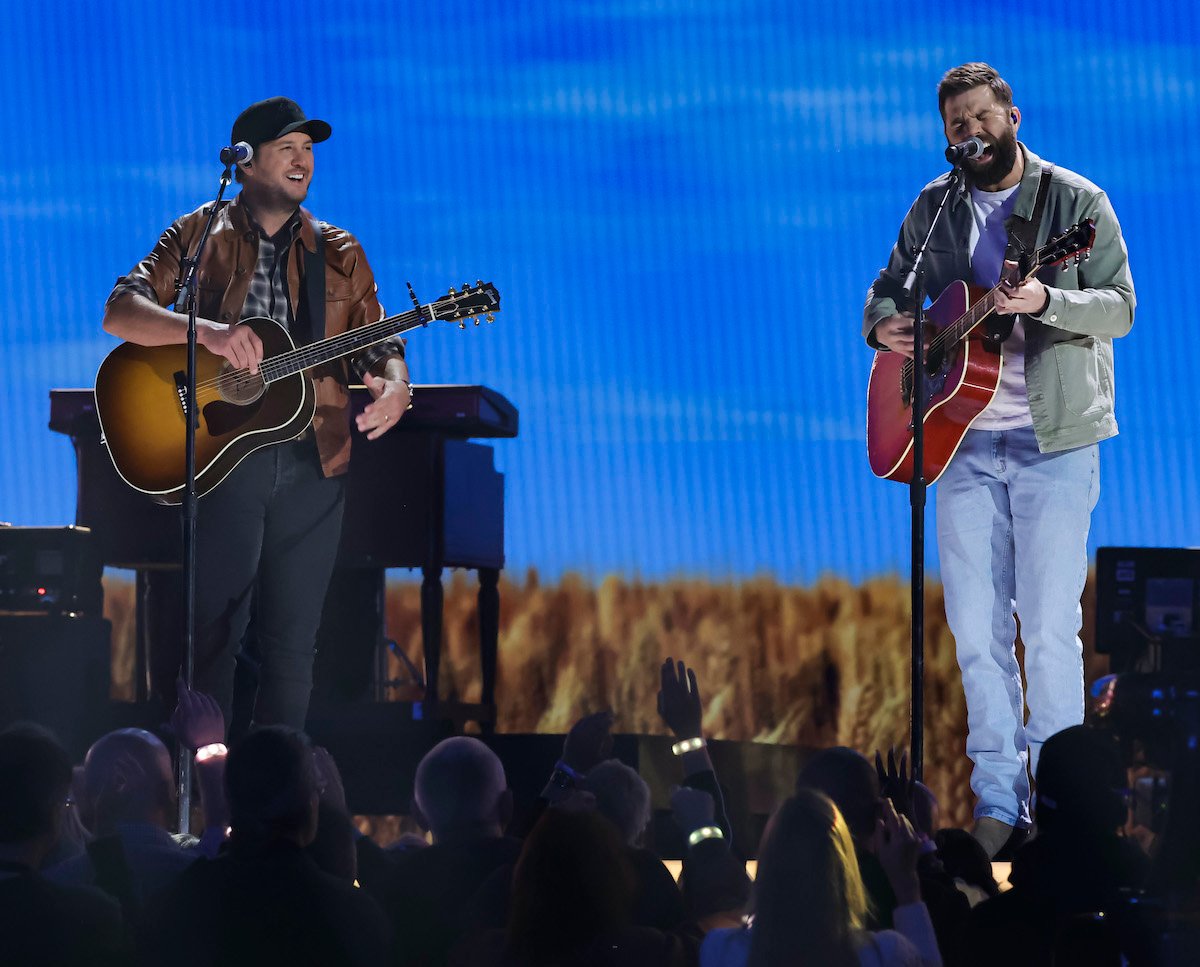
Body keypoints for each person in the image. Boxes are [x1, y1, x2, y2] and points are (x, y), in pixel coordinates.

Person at [863, 63, 1135, 857]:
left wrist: (1046, 300)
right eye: (957, 125)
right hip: (960, 439)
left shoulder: (1076, 205)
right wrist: (885, 327)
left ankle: (1057, 805)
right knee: (975, 631)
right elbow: (887, 289)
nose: (971, 133)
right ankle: (995, 802)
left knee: (1049, 628)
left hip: (1054, 440)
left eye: (983, 117)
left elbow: (1120, 306)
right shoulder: (934, 206)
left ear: (1013, 115)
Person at [102, 96, 411, 732]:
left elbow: (374, 341)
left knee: (294, 649)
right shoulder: (197, 233)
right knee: (211, 640)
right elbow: (119, 311)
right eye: (287, 149)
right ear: (244, 163)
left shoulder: (342, 250)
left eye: (309, 151)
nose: (303, 162)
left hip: (316, 460)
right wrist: (208, 333)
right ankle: (202, 799)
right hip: (222, 459)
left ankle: (278, 807)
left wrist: (395, 381)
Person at [700, 790, 941, 967]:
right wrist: (906, 884)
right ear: (843, 864)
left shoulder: (721, 950)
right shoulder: (885, 953)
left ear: (769, 863)